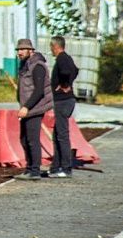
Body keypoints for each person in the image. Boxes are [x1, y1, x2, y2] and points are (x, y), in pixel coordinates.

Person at [15, 38, 54, 181]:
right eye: (18, 50)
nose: (19, 52)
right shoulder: (25, 65)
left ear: (31, 51)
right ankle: (29, 168)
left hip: (35, 108)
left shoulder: (38, 66)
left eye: (22, 49)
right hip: (27, 108)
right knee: (24, 139)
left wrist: (26, 107)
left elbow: (39, 91)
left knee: (32, 139)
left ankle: (35, 170)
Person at [49, 36, 79, 179]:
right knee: (57, 135)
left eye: (51, 47)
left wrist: (65, 84)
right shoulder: (66, 58)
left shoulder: (62, 59)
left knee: (62, 135)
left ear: (55, 46)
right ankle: (55, 166)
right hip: (65, 100)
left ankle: (66, 168)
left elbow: (67, 72)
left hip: (63, 101)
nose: (51, 50)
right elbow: (75, 70)